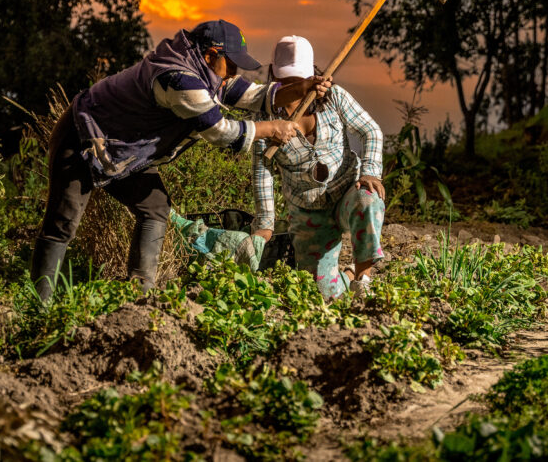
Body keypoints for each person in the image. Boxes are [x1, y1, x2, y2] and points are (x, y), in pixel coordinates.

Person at [30, 20, 330, 302]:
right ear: (212, 55)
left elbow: (255, 95)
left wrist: (302, 88)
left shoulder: (208, 72)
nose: (235, 70)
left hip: (126, 148)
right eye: (232, 62)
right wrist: (269, 128)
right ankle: (39, 304)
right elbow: (218, 131)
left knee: (155, 208)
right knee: (63, 223)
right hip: (84, 136)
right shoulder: (179, 79)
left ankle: (138, 296)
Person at [252, 35, 386, 299]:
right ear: (274, 76)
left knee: (368, 200)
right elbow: (262, 171)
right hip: (308, 210)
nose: (295, 88)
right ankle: (346, 277)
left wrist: (370, 171)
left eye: (300, 81)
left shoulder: (334, 97)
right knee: (324, 295)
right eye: (286, 82)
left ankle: (363, 278)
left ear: (313, 75)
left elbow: (370, 130)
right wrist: (265, 223)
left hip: (347, 192)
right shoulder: (264, 117)